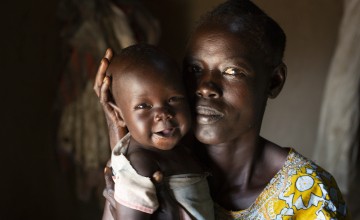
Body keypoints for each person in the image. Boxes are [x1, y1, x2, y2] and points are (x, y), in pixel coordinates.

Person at [95, 0, 350, 219]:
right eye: (195, 69)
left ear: (274, 81)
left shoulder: (310, 194)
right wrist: (121, 136)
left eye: (232, 71)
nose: (205, 87)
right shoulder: (152, 165)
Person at [100, 43, 214, 220]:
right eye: (144, 106)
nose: (163, 114)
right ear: (118, 115)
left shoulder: (184, 148)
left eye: (174, 99)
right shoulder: (139, 164)